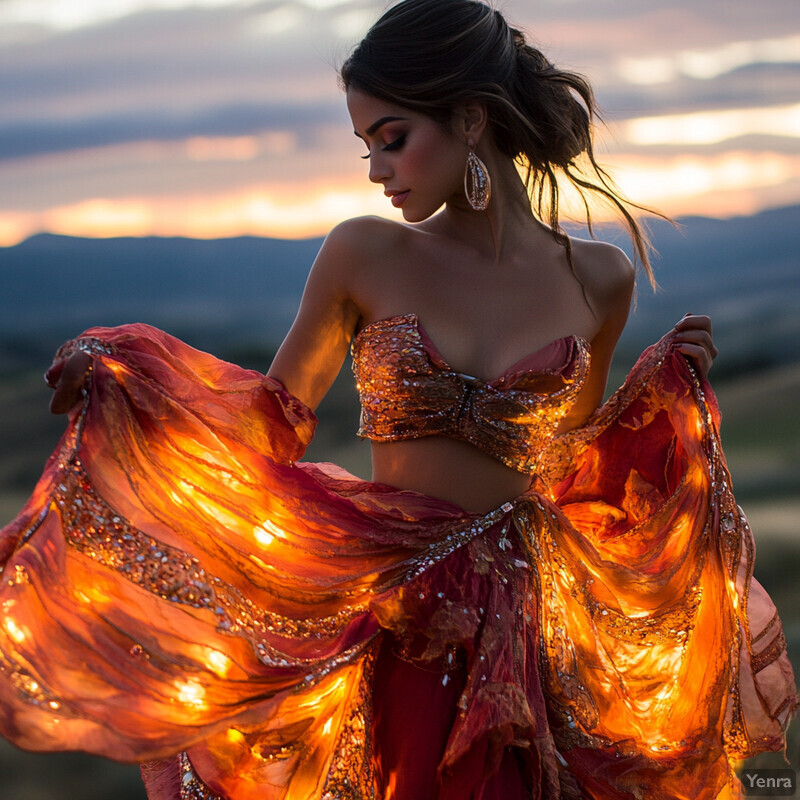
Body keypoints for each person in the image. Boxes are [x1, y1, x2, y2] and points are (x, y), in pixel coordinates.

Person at [1, 1, 796, 798]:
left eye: (392, 139)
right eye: (367, 149)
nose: (378, 169)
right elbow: (271, 422)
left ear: (471, 118)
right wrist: (135, 383)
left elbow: (569, 463)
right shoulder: (364, 252)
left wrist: (660, 397)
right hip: (402, 612)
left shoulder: (601, 278)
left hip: (534, 636)